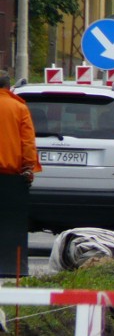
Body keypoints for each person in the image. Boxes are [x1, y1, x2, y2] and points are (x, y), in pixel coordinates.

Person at [0, 71, 41, 277]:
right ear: (9, 87)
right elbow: (27, 142)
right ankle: (10, 265)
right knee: (10, 224)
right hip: (11, 177)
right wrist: (28, 168)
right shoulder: (18, 108)